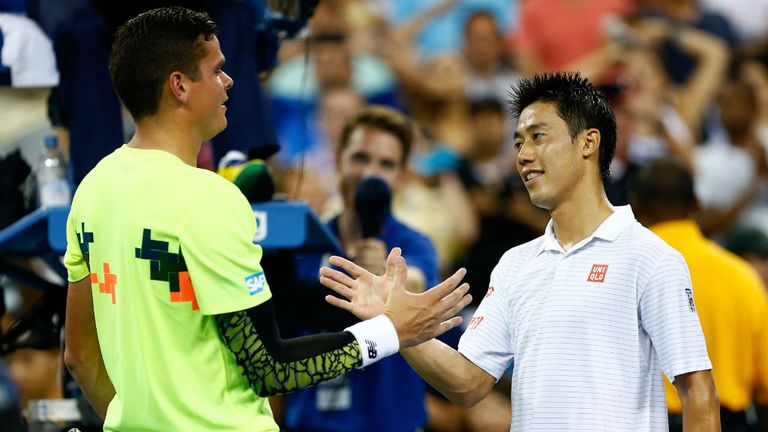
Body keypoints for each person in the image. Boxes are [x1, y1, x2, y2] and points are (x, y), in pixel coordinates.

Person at [61, 7, 471, 431]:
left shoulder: (92, 190)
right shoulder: (210, 198)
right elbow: (271, 369)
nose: (229, 81)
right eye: (217, 70)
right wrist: (391, 332)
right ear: (179, 86)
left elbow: (80, 357)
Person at [321, 72, 720, 431]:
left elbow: (698, 392)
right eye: (518, 142)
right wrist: (396, 326)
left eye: (538, 136)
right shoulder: (515, 264)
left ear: (588, 142)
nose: (523, 155)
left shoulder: (650, 257)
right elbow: (468, 383)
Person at [278, 105, 442, 432]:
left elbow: (418, 283)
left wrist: (388, 278)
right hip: (311, 424)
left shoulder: (414, 246)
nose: (369, 174)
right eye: (360, 158)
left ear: (403, 176)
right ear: (338, 160)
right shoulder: (303, 245)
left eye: (386, 164)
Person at [629, 158, 768, 432]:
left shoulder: (622, 274)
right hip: (731, 422)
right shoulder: (742, 277)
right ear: (696, 204)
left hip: (648, 422)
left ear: (635, 205)